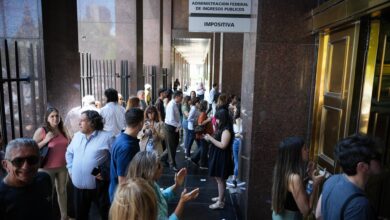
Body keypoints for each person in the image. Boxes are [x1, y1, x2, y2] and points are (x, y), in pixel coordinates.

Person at [315, 135, 381, 220]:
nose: (381, 161)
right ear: (362, 166)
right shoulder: (360, 206)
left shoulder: (332, 180)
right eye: (377, 157)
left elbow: (318, 215)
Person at [65, 110, 113, 220]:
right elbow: (69, 153)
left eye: (82, 120)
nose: (79, 123)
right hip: (78, 188)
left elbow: (115, 158)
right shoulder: (77, 136)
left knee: (105, 215)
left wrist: (106, 172)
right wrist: (71, 170)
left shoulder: (107, 137)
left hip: (99, 187)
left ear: (92, 122)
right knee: (81, 216)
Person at [127, 151, 200, 220]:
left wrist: (176, 185)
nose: (162, 167)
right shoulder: (143, 198)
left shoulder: (150, 183)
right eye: (158, 166)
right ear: (149, 171)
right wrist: (182, 202)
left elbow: (161, 197)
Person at [271, 137, 324, 220]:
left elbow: (294, 196)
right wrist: (315, 184)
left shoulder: (282, 170)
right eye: (305, 148)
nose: (308, 150)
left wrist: (309, 177)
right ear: (296, 154)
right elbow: (306, 211)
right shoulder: (294, 178)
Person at [0, 138, 52, 219]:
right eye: (18, 161)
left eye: (32, 160)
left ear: (40, 161)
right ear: (6, 165)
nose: (25, 167)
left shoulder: (44, 179)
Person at [33, 107, 70, 220]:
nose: (55, 118)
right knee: (49, 195)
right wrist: (45, 140)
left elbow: (69, 144)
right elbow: (31, 147)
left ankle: (64, 217)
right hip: (46, 168)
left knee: (62, 191)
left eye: (57, 116)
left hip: (63, 166)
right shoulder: (42, 131)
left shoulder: (63, 129)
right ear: (47, 118)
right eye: (52, 116)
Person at [109, 108, 144, 202]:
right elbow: (123, 181)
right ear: (140, 123)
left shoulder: (121, 136)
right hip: (123, 198)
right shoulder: (127, 147)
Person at [203, 108, 234, 209]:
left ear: (223, 119)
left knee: (220, 179)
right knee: (219, 178)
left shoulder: (226, 130)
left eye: (218, 119)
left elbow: (223, 145)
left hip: (222, 157)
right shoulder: (222, 128)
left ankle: (220, 202)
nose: (216, 121)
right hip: (218, 155)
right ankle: (221, 197)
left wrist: (211, 139)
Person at [163, 91, 183, 172]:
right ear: (177, 97)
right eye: (181, 97)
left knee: (173, 145)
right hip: (170, 127)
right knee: (171, 147)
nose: (182, 98)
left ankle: (162, 159)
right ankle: (172, 164)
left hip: (174, 127)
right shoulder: (171, 105)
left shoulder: (174, 104)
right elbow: (171, 120)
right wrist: (179, 126)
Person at [191, 100, 213, 169]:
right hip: (203, 134)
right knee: (204, 149)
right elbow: (200, 123)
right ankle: (203, 164)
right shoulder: (203, 114)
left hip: (203, 134)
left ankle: (195, 159)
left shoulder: (202, 113)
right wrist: (208, 120)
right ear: (205, 106)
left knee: (203, 148)